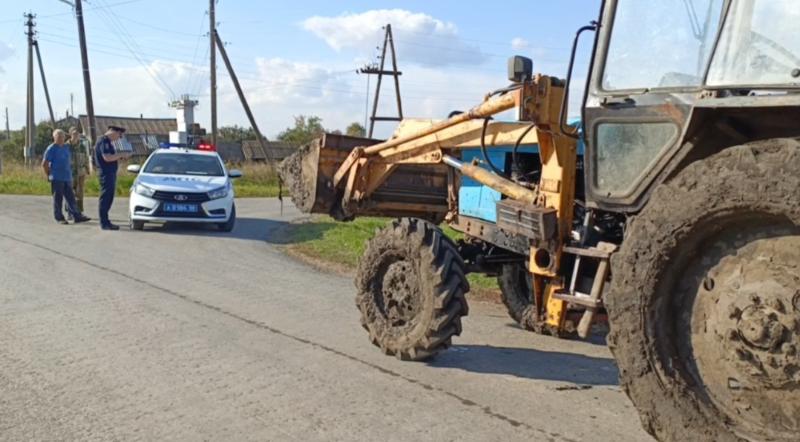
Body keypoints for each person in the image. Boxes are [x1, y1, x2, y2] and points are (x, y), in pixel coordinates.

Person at [42, 129, 91, 225]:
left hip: (68, 177)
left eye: (63, 136)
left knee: (71, 198)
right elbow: (44, 164)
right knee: (58, 198)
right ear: (54, 137)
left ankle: (77, 216)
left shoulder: (66, 147)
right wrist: (49, 175)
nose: (61, 138)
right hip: (57, 177)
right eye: (59, 137)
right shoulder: (51, 148)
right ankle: (59, 218)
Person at [94, 125, 130, 230]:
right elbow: (107, 157)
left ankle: (106, 221)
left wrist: (121, 157)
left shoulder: (108, 142)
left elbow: (112, 157)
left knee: (109, 197)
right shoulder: (103, 141)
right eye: (119, 135)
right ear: (114, 132)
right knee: (105, 198)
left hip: (110, 173)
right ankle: (104, 222)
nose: (119, 138)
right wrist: (121, 154)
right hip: (105, 174)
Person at [66, 126, 92, 217]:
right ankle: (70, 212)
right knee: (70, 192)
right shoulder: (66, 146)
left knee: (80, 193)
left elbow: (86, 158)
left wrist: (88, 169)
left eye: (77, 134)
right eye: (74, 133)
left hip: (81, 172)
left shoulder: (82, 146)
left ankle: (79, 212)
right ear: (70, 134)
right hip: (69, 173)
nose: (76, 135)